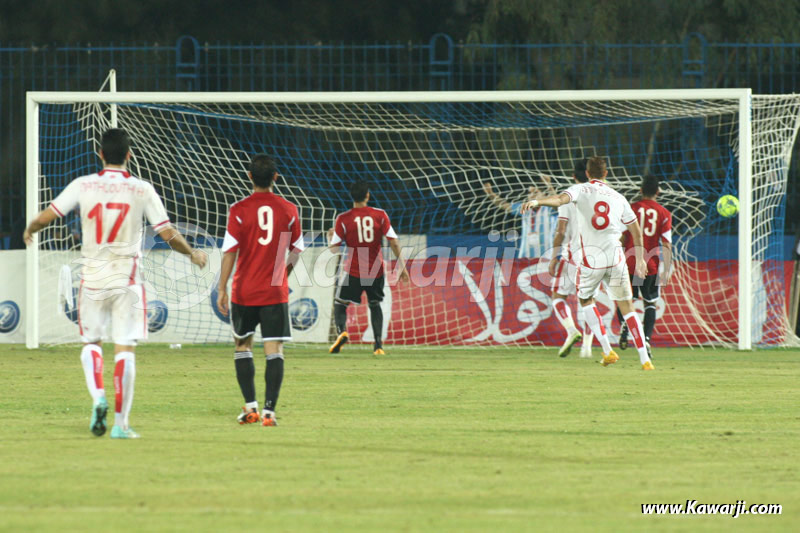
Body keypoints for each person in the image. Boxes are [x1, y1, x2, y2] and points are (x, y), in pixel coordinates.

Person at [23, 128, 208, 438]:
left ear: (100, 154)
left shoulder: (83, 185)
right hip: (128, 280)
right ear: (129, 154)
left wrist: (31, 228)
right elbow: (167, 233)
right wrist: (191, 253)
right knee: (125, 350)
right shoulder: (141, 189)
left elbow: (48, 216)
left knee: (91, 344)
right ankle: (121, 425)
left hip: (92, 278)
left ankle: (98, 398)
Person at [521, 156, 654, 370]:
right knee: (628, 307)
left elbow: (559, 200)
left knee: (586, 301)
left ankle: (606, 350)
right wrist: (640, 260)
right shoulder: (618, 197)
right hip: (616, 257)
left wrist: (538, 201)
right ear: (606, 174)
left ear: (588, 174)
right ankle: (644, 360)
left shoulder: (580, 190)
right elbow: (636, 232)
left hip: (591, 260)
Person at [216, 155, 304, 427]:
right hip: (274, 293)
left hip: (244, 291)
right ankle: (269, 413)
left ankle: (250, 407)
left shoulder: (238, 210)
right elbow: (296, 250)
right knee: (274, 348)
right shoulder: (289, 210)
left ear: (250, 176)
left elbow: (230, 252)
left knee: (242, 345)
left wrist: (222, 287)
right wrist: (281, 275)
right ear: (276, 177)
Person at [327, 181, 409, 355]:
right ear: (367, 196)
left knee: (340, 304)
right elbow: (393, 241)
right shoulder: (379, 215)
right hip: (376, 270)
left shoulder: (343, 218)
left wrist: (329, 237)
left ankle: (342, 331)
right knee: (374, 304)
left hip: (354, 271)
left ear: (352, 197)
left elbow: (334, 249)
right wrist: (402, 265)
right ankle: (378, 346)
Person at [617, 175, 673, 355]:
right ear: (658, 192)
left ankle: (625, 328)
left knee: (627, 299)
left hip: (630, 262)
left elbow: (622, 236)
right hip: (650, 264)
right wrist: (667, 267)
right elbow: (666, 243)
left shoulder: (631, 208)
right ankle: (646, 340)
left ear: (640, 191)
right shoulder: (664, 214)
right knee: (650, 301)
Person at [548, 159, 593, 358]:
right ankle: (587, 348)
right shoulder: (603, 195)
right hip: (596, 257)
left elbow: (561, 230)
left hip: (572, 256)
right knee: (588, 302)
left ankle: (571, 329)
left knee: (558, 297)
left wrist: (553, 256)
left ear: (574, 176)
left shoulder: (568, 195)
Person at [483, 177, 558, 258]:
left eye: (535, 192)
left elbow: (557, 203)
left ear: (544, 195)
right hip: (526, 257)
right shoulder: (525, 209)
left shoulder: (549, 209)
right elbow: (505, 205)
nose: (531, 195)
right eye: (529, 193)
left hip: (545, 257)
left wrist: (549, 186)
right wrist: (490, 193)